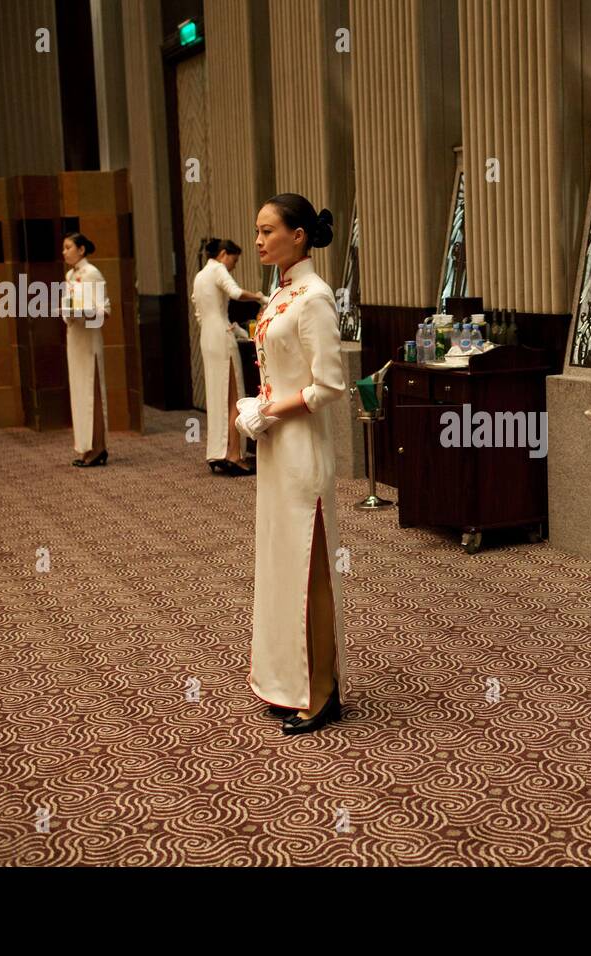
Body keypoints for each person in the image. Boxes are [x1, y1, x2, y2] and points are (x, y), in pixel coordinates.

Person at [236, 194, 347, 735]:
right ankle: (290, 679)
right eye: (256, 232)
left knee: (310, 565)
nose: (258, 241)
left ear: (299, 235)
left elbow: (329, 385)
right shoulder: (282, 292)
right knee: (282, 564)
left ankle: (323, 690)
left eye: (267, 231)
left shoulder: (315, 297)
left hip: (301, 445)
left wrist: (267, 408)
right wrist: (261, 407)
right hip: (277, 443)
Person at [191, 238, 266, 475]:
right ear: (224, 254)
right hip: (222, 337)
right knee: (234, 395)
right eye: (234, 260)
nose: (233, 266)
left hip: (207, 337)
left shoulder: (200, 276)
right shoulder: (218, 269)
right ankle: (233, 454)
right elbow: (234, 292)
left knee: (216, 395)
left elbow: (199, 313)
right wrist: (259, 297)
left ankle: (217, 452)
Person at [61, 232, 109, 467]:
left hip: (89, 336)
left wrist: (84, 313)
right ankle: (84, 446)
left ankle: (98, 447)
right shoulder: (70, 275)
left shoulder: (92, 273)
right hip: (74, 337)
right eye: (64, 248)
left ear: (81, 250)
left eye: (68, 247)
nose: (64, 252)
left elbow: (103, 310)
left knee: (92, 392)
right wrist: (67, 314)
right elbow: (65, 305)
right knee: (79, 392)